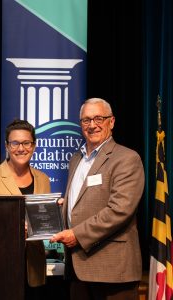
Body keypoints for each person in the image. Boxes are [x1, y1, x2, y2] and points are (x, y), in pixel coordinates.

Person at [50, 98, 145, 300]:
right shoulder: (77, 158)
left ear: (111, 122)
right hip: (78, 268)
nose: (92, 125)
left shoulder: (126, 158)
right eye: (86, 120)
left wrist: (77, 234)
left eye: (98, 118)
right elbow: (80, 203)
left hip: (112, 270)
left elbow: (119, 210)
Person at [0, 119, 51, 300]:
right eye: (15, 143)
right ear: (7, 146)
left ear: (34, 146)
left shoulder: (43, 179)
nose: (21, 148)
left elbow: (43, 217)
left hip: (33, 266)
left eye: (26, 143)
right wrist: (13, 228)